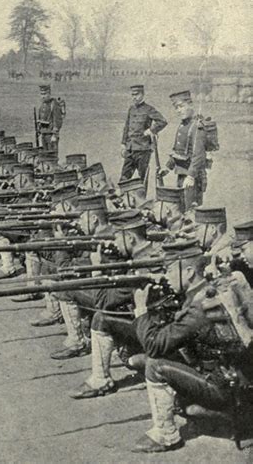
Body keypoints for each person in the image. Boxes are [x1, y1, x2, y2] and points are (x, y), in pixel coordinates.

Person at [132, 239, 253, 453]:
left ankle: (166, 435)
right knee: (150, 358)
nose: (166, 277)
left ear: (188, 272)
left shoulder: (199, 306)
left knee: (153, 364)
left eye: (169, 270)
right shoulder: (207, 290)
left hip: (226, 387)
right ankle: (193, 407)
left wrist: (142, 311)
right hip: (233, 377)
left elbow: (154, 345)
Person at [162, 90, 209, 208]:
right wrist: (168, 167)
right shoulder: (183, 125)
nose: (179, 111)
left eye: (181, 106)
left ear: (191, 105)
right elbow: (178, 151)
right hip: (182, 175)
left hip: (193, 178)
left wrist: (191, 176)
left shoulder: (197, 126)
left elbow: (199, 155)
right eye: (176, 108)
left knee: (191, 210)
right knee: (181, 208)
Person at [120, 85, 167, 182]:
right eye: (132, 95)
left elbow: (162, 121)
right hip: (130, 149)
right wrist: (123, 144)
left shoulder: (148, 109)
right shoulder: (131, 109)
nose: (134, 97)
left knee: (142, 179)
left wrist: (151, 130)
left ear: (142, 94)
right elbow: (127, 127)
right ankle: (123, 197)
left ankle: (141, 197)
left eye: (136, 94)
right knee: (124, 178)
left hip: (143, 149)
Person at [37, 84, 63, 153]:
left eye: (45, 94)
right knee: (44, 156)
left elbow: (57, 121)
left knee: (52, 157)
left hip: (51, 135)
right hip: (43, 134)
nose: (43, 96)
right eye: (41, 94)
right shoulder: (42, 105)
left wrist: (54, 135)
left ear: (49, 94)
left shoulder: (54, 104)